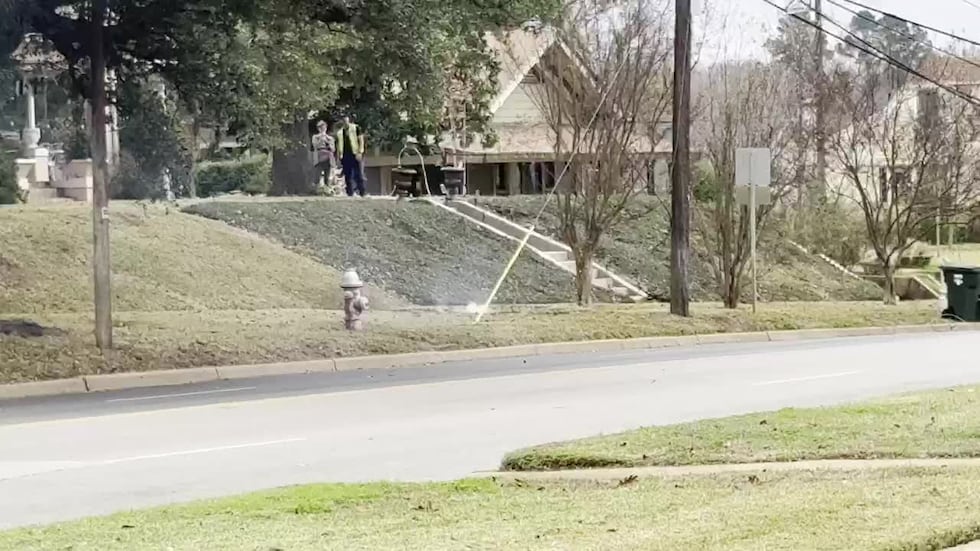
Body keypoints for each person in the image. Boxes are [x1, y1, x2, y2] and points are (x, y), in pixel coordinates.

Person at [335, 115, 366, 197]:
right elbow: (338, 146)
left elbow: (361, 140)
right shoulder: (340, 132)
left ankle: (362, 192)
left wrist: (360, 152)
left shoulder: (356, 128)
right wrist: (338, 157)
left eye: (346, 120)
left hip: (355, 154)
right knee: (348, 175)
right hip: (345, 155)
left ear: (348, 120)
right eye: (343, 121)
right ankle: (350, 193)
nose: (345, 122)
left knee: (359, 174)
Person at [312, 120, 335, 191]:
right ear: (318, 129)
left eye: (324, 127)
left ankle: (327, 189)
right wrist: (321, 139)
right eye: (320, 128)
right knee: (317, 174)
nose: (322, 129)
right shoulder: (315, 137)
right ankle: (316, 189)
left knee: (327, 174)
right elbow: (315, 146)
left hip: (328, 156)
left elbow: (333, 149)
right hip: (319, 156)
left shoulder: (330, 138)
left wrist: (327, 141)